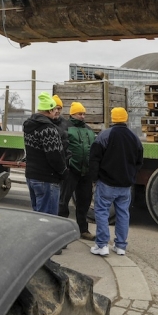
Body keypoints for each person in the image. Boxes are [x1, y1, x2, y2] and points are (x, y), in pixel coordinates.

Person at [89, 107, 143, 257]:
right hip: (125, 185)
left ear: (112, 118)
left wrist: (94, 178)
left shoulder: (104, 135)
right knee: (123, 214)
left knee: (101, 212)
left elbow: (94, 158)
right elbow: (139, 162)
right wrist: (131, 176)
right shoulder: (134, 138)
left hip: (106, 183)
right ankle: (120, 246)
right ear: (125, 118)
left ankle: (102, 245)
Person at [23, 92, 68, 216]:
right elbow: (54, 156)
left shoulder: (29, 125)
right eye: (55, 109)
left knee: (37, 215)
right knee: (47, 219)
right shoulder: (48, 128)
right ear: (49, 110)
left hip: (32, 176)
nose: (56, 112)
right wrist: (64, 172)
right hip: (47, 179)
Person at [58, 101, 97, 241]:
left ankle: (83, 230)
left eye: (84, 113)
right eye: (80, 113)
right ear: (72, 114)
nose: (82, 116)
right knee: (63, 201)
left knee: (84, 201)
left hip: (85, 172)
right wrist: (67, 164)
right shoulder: (65, 128)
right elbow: (62, 148)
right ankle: (61, 232)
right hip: (71, 171)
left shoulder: (88, 130)